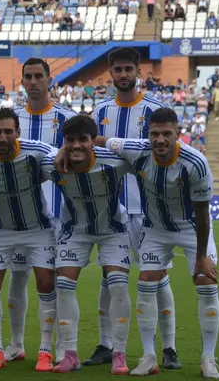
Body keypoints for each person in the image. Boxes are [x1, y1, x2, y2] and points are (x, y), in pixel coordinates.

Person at [74, 47, 181, 368]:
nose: (123, 75)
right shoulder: (100, 112)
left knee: (158, 276)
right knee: (110, 276)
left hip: (149, 206)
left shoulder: (156, 110)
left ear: (138, 72)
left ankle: (169, 348)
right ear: (111, 73)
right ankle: (106, 344)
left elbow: (163, 150)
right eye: (117, 69)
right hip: (111, 206)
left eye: (128, 69)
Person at [102, 108, 219, 379]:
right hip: (155, 229)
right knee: (146, 282)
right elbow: (100, 140)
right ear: (148, 134)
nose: (160, 140)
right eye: (155, 134)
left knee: (206, 281)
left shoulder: (196, 163)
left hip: (191, 229)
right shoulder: (136, 150)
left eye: (166, 134)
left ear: (177, 134)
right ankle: (149, 357)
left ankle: (208, 358)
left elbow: (202, 214)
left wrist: (202, 256)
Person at [40, 115, 133, 374]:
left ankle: (119, 353)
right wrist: (60, 150)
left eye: (84, 139)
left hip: (112, 229)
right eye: (70, 140)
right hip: (75, 230)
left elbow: (142, 151)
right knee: (64, 284)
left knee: (117, 284)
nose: (77, 145)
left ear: (94, 142)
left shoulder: (115, 162)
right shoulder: (53, 164)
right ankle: (70, 354)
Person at [0, 108, 58, 372]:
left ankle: (45, 350)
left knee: (45, 281)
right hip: (1, 229)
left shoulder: (38, 151)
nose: (3, 137)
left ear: (18, 132)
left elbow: (62, 164)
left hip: (38, 228)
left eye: (8, 131)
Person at [9, 58, 77, 363]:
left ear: (50, 80)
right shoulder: (10, 121)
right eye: (28, 77)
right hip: (21, 218)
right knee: (18, 277)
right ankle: (16, 343)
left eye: (39, 76)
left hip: (62, 217)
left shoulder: (68, 120)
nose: (34, 81)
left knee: (58, 282)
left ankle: (61, 345)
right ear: (22, 82)